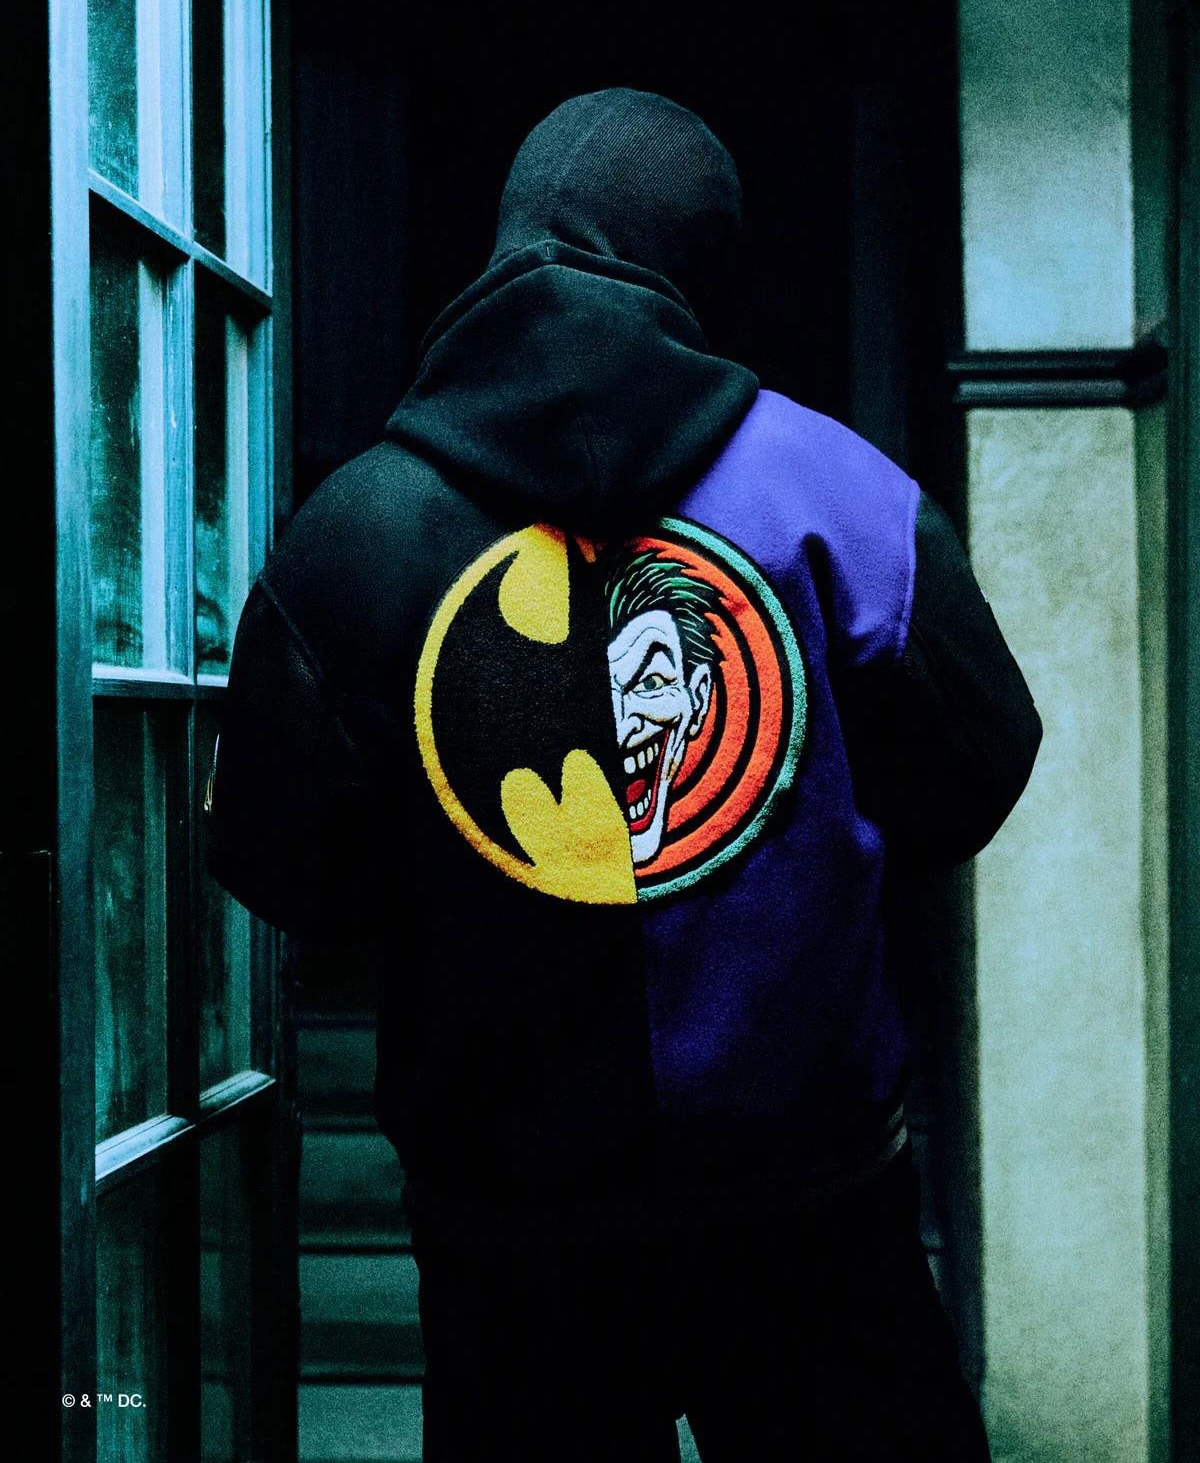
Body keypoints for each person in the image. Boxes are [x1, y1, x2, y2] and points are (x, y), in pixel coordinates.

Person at [205, 87, 1042, 1461]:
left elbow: (282, 861)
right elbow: (978, 773)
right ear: (701, 259)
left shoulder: (354, 532)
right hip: (813, 1207)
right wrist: (803, 847)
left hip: (511, 1232)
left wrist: (467, 894)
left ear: (506, 236)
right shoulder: (845, 497)